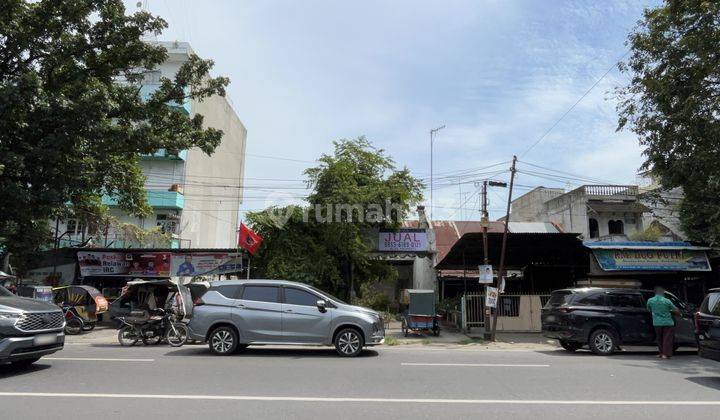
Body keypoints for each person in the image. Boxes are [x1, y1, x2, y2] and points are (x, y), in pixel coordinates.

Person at [646, 287, 681, 359]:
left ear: (655, 293)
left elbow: (648, 309)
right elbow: (675, 310)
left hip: (657, 323)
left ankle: (661, 353)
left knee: (659, 338)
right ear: (662, 293)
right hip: (668, 322)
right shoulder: (667, 301)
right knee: (667, 339)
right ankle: (665, 354)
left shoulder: (650, 300)